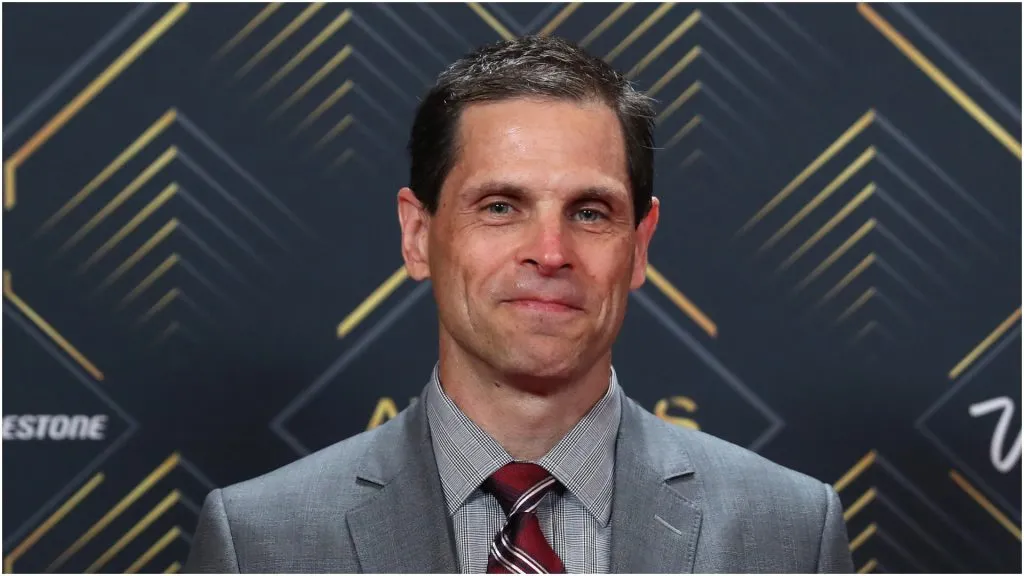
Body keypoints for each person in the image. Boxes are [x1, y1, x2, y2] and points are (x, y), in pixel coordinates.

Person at [185, 35, 853, 574]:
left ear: (640, 245)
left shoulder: (789, 534)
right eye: (501, 207)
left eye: (590, 213)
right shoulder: (260, 544)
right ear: (419, 236)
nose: (550, 251)